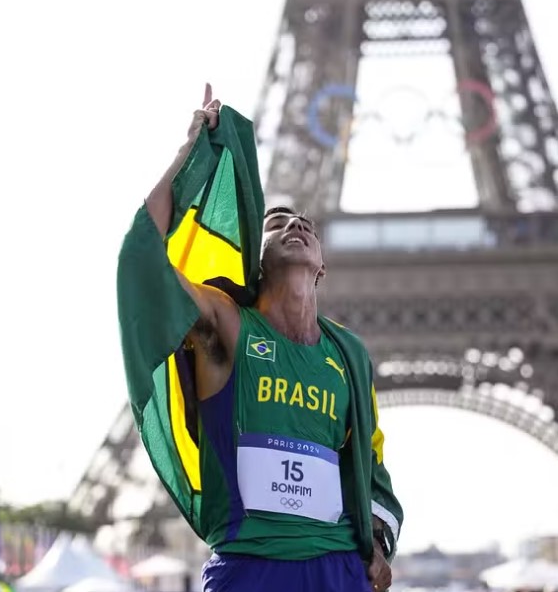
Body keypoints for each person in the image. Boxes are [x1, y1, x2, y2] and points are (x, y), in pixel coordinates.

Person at [117, 84, 402, 592]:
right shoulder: (226, 325)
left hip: (336, 565)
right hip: (251, 565)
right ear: (256, 256)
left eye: (305, 225)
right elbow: (146, 257)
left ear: (322, 266)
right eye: (276, 223)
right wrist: (190, 156)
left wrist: (378, 541)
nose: (294, 223)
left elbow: (368, 458)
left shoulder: (349, 355)